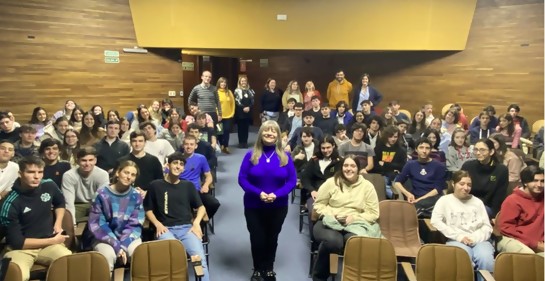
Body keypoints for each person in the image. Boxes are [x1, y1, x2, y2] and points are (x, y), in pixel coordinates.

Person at [238, 120, 297, 281]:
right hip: (253, 204)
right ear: (260, 134)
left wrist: (277, 194)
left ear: (278, 135)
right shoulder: (251, 155)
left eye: (273, 131)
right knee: (257, 238)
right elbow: (242, 179)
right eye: (266, 131)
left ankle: (269, 268)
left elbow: (292, 181)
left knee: (272, 237)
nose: (269, 134)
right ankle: (258, 269)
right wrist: (259, 193)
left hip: (278, 205)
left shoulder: (285, 157)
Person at [0, 156, 71, 281]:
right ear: (20, 174)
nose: (37, 176)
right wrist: (53, 241)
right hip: (20, 250)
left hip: (48, 245)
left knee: (70, 263)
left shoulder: (49, 185)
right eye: (31, 172)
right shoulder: (10, 203)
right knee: (18, 275)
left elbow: (60, 203)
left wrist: (58, 223)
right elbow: (18, 242)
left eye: (40, 172)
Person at [312, 155, 381, 281]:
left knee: (356, 242)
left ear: (358, 169)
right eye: (346, 165)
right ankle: (319, 277)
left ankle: (351, 277)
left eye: (353, 166)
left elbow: (373, 213)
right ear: (341, 167)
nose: (349, 169)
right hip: (329, 221)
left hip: (355, 223)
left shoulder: (367, 186)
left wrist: (354, 217)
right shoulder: (331, 182)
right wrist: (332, 214)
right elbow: (318, 205)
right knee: (333, 242)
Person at [144, 152, 210, 281]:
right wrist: (157, 224)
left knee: (199, 260)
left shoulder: (188, 186)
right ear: (168, 165)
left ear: (183, 168)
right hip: (165, 229)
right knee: (173, 259)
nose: (178, 167)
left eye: (181, 164)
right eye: (175, 163)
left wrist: (196, 223)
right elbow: (148, 209)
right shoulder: (155, 185)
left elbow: (201, 207)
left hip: (187, 229)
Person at [430, 170, 495, 277]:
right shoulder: (444, 200)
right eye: (462, 184)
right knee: (463, 258)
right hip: (456, 239)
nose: (466, 188)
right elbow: (436, 221)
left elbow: (486, 226)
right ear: (453, 184)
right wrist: (459, 236)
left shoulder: (477, 202)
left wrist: (474, 238)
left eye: (469, 185)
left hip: (479, 240)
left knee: (486, 259)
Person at [82, 160, 144, 272]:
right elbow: (97, 224)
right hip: (104, 237)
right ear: (117, 173)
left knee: (138, 253)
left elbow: (135, 224)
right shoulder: (101, 194)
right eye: (126, 172)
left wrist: (124, 245)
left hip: (128, 237)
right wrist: (116, 246)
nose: (129, 177)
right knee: (108, 255)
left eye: (133, 175)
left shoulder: (136, 195)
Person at [497, 165, 544, 256]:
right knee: (528, 255)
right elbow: (506, 229)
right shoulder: (512, 200)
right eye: (535, 181)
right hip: (514, 239)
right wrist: (534, 243)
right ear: (525, 182)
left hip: (539, 242)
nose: (539, 185)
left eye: (542, 181)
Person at [394, 138, 447, 218]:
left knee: (416, 207)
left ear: (431, 150)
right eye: (421, 147)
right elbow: (397, 182)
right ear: (416, 149)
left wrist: (419, 200)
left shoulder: (439, 166)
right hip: (416, 197)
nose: (424, 151)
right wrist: (408, 194)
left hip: (433, 198)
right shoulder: (410, 164)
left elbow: (437, 189)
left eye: (427, 148)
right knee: (414, 208)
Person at [301, 136, 342, 234]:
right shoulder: (314, 160)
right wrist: (312, 190)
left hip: (333, 195)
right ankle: (314, 241)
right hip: (315, 193)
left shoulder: (339, 161)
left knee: (336, 213)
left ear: (333, 146)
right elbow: (305, 178)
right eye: (323, 148)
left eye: (328, 147)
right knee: (313, 212)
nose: (325, 150)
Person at [62, 147, 110, 224]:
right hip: (77, 205)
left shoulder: (102, 174)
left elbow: (102, 200)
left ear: (95, 160)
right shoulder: (69, 175)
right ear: (77, 161)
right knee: (65, 215)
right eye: (84, 160)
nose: (87, 164)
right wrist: (72, 225)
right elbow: (69, 203)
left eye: (90, 160)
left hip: (95, 204)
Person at [461, 138, 509, 217]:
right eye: (476, 150)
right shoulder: (468, 166)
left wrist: (495, 215)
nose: (478, 153)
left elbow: (499, 196)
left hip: (487, 206)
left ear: (491, 152)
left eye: (482, 150)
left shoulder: (501, 170)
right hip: (467, 202)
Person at [180, 135, 220, 219]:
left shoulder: (201, 158)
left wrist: (205, 185)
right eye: (186, 144)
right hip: (181, 191)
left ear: (196, 146)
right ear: (183, 145)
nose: (188, 147)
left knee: (214, 204)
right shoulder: (177, 159)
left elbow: (209, 176)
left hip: (196, 191)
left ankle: (201, 223)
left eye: (191, 144)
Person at [373, 125, 407, 198]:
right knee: (383, 185)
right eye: (390, 137)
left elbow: (402, 166)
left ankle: (397, 195)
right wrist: (393, 166)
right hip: (382, 175)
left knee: (397, 184)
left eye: (395, 137)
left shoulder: (401, 150)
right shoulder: (379, 148)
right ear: (386, 136)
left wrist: (385, 164)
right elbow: (375, 165)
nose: (393, 139)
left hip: (395, 175)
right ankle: (396, 196)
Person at [235, 76, 255, 149]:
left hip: (248, 112)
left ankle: (245, 142)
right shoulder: (237, 90)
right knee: (240, 128)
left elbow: (253, 101)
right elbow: (237, 101)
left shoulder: (250, 91)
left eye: (245, 81)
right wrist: (243, 107)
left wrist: (249, 107)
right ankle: (241, 142)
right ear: (240, 82)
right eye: (242, 81)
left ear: (247, 82)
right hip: (240, 112)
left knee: (246, 128)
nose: (244, 82)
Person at [217, 77, 235, 154]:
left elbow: (233, 103)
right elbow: (215, 105)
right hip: (219, 116)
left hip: (228, 116)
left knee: (227, 131)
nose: (223, 84)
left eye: (224, 82)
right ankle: (221, 144)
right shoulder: (216, 92)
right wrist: (218, 114)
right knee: (220, 132)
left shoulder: (229, 92)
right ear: (219, 83)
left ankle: (226, 146)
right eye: (222, 82)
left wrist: (232, 113)